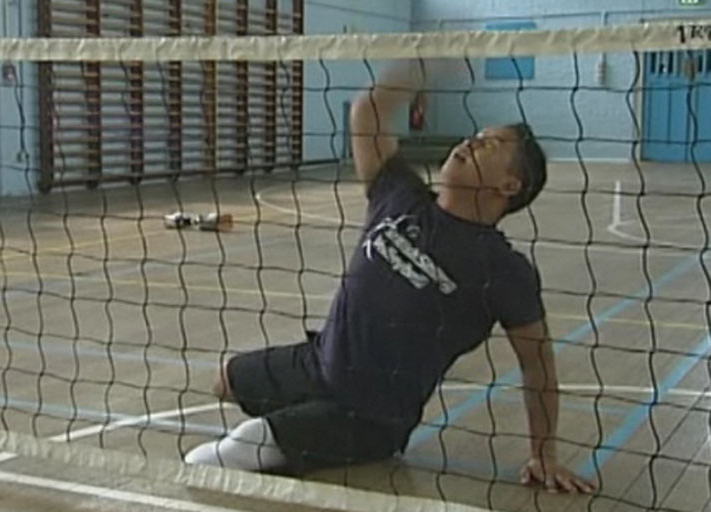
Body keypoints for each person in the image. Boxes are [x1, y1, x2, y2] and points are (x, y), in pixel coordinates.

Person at [184, 61, 596, 494]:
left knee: (216, 457)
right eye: (476, 136)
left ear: (509, 186)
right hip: (318, 362)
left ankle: (332, 438)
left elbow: (538, 366)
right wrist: (421, 62)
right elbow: (367, 112)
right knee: (224, 380)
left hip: (371, 414)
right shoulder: (400, 194)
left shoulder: (504, 270)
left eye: (490, 145)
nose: (470, 143)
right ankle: (304, 427)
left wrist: (543, 453)